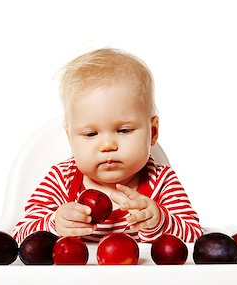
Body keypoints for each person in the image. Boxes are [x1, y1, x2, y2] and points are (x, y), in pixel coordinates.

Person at [13, 48, 202, 244]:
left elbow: (196, 238)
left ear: (152, 132)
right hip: (73, 276)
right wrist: (54, 224)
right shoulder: (62, 180)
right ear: (70, 139)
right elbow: (20, 235)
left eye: (124, 131)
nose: (108, 145)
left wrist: (159, 221)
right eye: (91, 134)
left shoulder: (161, 183)